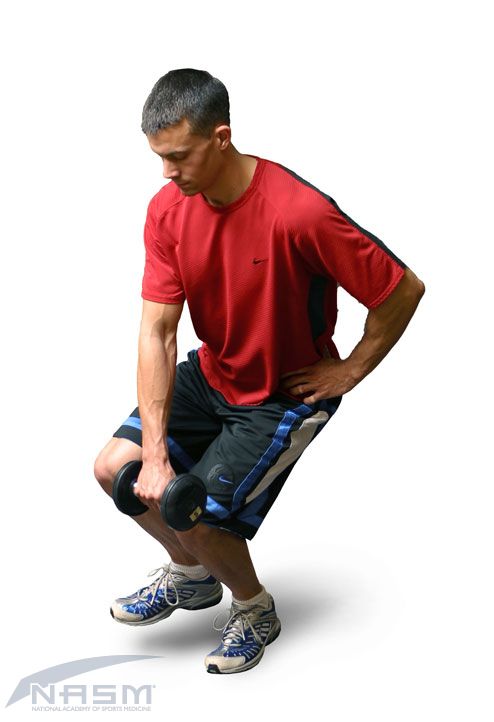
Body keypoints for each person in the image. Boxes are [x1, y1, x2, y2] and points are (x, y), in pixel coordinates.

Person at [93, 68, 425, 675]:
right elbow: (157, 332)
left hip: (281, 393)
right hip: (214, 372)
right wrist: (157, 455)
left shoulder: (298, 212)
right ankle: (193, 577)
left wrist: (350, 369)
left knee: (194, 511)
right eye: (159, 157)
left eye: (178, 156)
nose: (166, 172)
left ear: (220, 137)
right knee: (115, 467)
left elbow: (401, 290)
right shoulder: (168, 210)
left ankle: (254, 608)